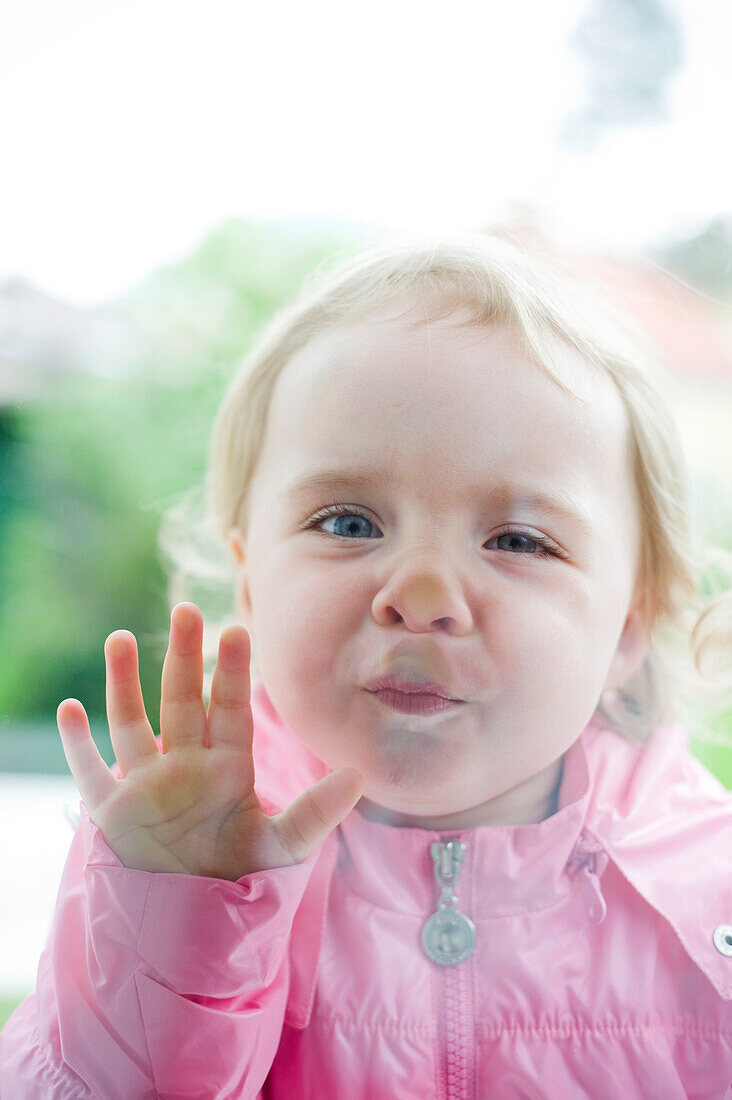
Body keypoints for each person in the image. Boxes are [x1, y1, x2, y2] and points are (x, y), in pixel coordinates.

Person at [1, 232, 731, 1098]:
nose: (420, 593)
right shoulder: (172, 861)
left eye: (518, 540)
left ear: (627, 626)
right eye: (349, 524)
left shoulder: (705, 893)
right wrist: (176, 926)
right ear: (248, 576)